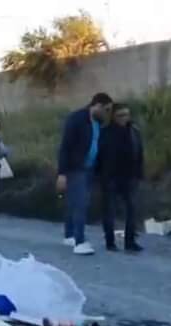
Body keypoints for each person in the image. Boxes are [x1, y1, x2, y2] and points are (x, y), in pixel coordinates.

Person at [57, 92, 114, 255]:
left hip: (90, 168)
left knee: (73, 202)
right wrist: (62, 173)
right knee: (81, 203)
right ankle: (80, 241)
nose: (107, 113)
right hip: (76, 168)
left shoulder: (98, 122)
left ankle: (69, 235)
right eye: (106, 109)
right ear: (97, 105)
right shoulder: (76, 119)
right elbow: (65, 146)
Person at [98, 104, 144, 252]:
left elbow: (139, 153)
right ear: (113, 117)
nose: (124, 118)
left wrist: (139, 174)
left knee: (132, 210)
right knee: (109, 210)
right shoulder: (105, 133)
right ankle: (110, 242)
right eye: (120, 115)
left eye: (126, 115)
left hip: (130, 177)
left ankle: (130, 242)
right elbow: (99, 156)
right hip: (110, 177)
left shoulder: (134, 131)